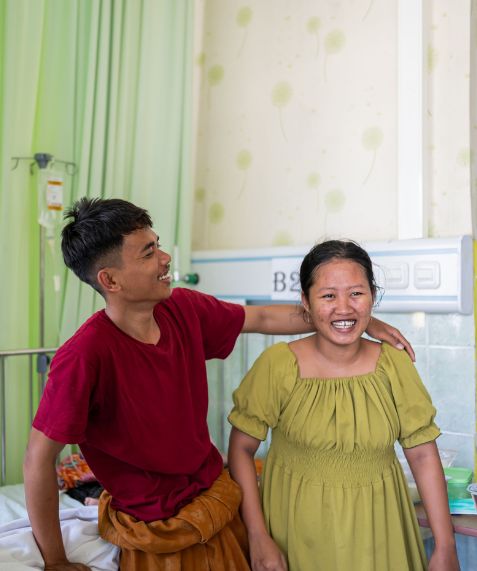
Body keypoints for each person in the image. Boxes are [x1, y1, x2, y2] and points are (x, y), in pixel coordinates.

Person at [23, 199, 415, 571]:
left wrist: (352, 321)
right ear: (110, 280)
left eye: (157, 245)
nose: (164, 258)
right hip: (155, 525)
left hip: (215, 499)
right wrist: (56, 560)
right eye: (147, 253)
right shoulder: (84, 357)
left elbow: (260, 317)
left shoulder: (182, 309)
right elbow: (39, 460)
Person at [228, 240, 459, 571]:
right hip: (297, 537)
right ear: (305, 302)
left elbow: (422, 454)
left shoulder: (394, 364)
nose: (344, 308)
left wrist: (445, 544)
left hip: (383, 534)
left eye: (356, 293)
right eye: (328, 296)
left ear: (373, 297)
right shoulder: (278, 365)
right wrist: (258, 536)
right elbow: (241, 449)